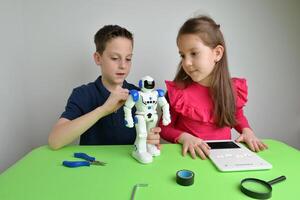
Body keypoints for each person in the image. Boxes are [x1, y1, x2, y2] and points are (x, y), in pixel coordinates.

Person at [159, 15, 268, 159]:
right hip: (188, 158)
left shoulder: (232, 89)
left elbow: (237, 116)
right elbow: (164, 128)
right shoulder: (179, 92)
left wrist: (247, 131)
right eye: (182, 55)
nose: (187, 62)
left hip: (222, 158)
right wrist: (184, 137)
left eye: (194, 53)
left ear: (217, 53)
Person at [48, 25, 161, 150]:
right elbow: (55, 141)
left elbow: (148, 137)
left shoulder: (139, 95)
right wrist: (103, 110)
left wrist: (151, 139)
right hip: (93, 166)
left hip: (131, 164)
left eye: (128, 59)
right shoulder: (83, 94)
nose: (123, 65)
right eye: (115, 58)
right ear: (98, 58)